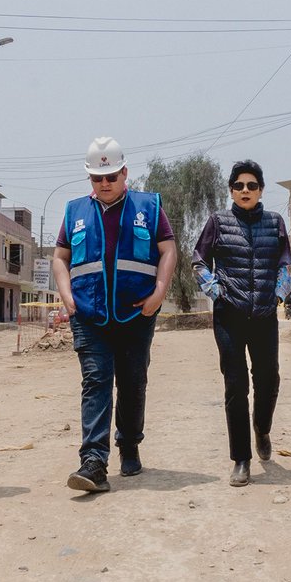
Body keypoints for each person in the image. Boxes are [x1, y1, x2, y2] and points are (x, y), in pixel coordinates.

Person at [52, 137, 177, 493]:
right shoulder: (74, 211)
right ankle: (93, 462)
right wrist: (66, 295)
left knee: (133, 382)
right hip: (89, 314)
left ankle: (130, 443)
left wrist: (159, 292)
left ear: (124, 172)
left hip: (137, 313)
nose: (104, 183)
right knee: (96, 382)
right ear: (89, 178)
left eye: (110, 176)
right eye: (96, 177)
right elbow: (60, 258)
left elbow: (168, 250)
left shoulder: (148, 206)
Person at [192, 160, 291, 487]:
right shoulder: (217, 222)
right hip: (230, 316)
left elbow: (284, 265)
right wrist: (215, 290)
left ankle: (261, 428)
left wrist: (278, 296)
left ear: (261, 189)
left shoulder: (275, 222)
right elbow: (198, 262)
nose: (245, 191)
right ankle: (241, 459)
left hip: (264, 316)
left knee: (268, 380)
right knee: (236, 386)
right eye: (239, 186)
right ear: (231, 190)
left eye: (252, 185)